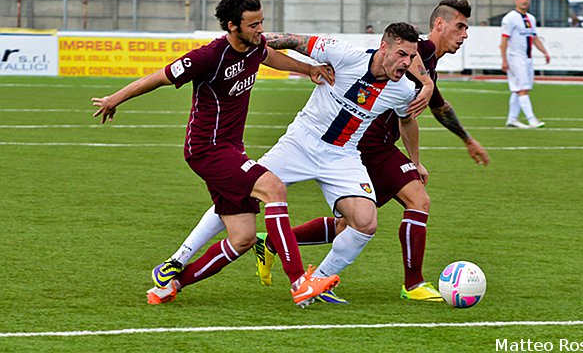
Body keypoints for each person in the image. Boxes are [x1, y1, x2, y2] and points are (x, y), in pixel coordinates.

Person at [90, 0, 340, 308]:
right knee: (274, 188)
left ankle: (170, 285)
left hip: (230, 149)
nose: (260, 29)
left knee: (243, 238)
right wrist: (115, 99)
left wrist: (308, 69)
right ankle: (299, 282)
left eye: (261, 22)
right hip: (207, 149)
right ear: (233, 26)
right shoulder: (208, 56)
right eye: (253, 24)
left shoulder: (255, 45)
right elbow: (157, 78)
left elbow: (270, 56)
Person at [145, 23, 424, 305]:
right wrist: (250, 45)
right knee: (238, 194)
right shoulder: (344, 54)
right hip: (299, 143)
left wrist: (416, 163)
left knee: (365, 222)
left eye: (411, 57)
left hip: (342, 155)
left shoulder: (402, 89)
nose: (406, 63)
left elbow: (407, 120)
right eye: (402, 54)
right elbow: (291, 40)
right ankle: (178, 258)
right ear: (384, 47)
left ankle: (318, 281)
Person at [254, 0, 489, 303]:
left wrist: (464, 140)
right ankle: (413, 283)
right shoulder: (422, 53)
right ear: (440, 25)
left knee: (351, 224)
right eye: (461, 26)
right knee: (418, 200)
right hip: (370, 145)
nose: (465, 34)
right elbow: (417, 72)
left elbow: (437, 106)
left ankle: (274, 243)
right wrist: (427, 83)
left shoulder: (426, 64)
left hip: (378, 145)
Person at [500, 0, 550, 129]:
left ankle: (512, 119)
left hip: (528, 58)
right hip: (516, 58)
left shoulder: (531, 18)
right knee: (523, 89)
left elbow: (534, 38)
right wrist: (504, 60)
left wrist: (545, 52)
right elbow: (503, 41)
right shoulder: (510, 18)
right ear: (516, 0)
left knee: (518, 89)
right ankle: (532, 119)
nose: (524, 1)